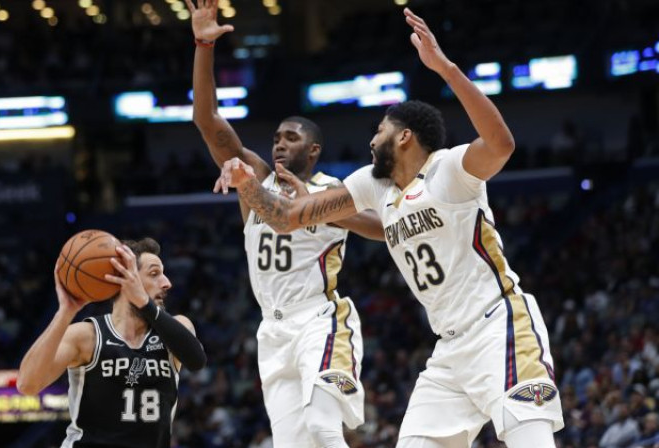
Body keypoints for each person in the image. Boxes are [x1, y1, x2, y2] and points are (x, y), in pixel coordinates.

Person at [214, 8, 563, 448]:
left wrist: (446, 69)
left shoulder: (448, 169)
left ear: (404, 137)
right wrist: (248, 186)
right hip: (450, 350)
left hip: (500, 325)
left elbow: (501, 144)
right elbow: (286, 219)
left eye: (380, 130)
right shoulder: (373, 185)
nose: (371, 139)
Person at [185, 1, 385, 446]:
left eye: (290, 138)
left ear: (312, 151)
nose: (278, 144)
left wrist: (319, 207)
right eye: (275, 137)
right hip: (272, 330)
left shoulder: (334, 187)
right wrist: (203, 45)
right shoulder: (251, 176)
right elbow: (206, 119)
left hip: (319, 319)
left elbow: (381, 228)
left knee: (322, 426)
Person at [17, 238, 206, 448]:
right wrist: (65, 312)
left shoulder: (177, 329)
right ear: (124, 279)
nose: (166, 282)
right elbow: (27, 384)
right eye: (154, 274)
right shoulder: (87, 335)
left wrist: (144, 302)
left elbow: (196, 361)